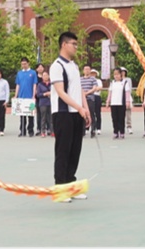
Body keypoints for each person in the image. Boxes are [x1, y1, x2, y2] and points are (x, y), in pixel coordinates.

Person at [50, 32, 91, 203]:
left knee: (75, 151)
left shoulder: (73, 66)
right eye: (73, 44)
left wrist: (86, 109)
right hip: (63, 113)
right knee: (63, 151)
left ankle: (71, 186)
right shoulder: (57, 66)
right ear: (64, 44)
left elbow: (79, 89)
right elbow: (60, 92)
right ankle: (60, 189)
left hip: (77, 113)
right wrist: (78, 107)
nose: (76, 47)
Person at [15, 57, 38, 137]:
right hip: (21, 97)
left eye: (25, 64)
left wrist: (33, 95)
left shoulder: (33, 73)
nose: (23, 65)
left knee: (30, 115)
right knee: (22, 115)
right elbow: (18, 84)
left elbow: (34, 84)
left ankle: (30, 131)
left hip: (30, 97)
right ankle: (22, 131)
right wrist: (15, 95)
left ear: (28, 63)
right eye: (22, 64)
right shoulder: (19, 73)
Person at [107, 68, 129, 139]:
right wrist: (108, 101)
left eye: (117, 74)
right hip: (113, 103)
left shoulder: (125, 83)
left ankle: (122, 132)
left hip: (121, 103)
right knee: (114, 118)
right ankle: (115, 132)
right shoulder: (112, 83)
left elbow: (127, 93)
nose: (116, 76)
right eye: (115, 74)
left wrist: (127, 101)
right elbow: (110, 92)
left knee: (121, 118)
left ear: (121, 74)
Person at [81, 65, 100, 138]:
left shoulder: (93, 79)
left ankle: (93, 130)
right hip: (82, 99)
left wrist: (87, 93)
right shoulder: (80, 79)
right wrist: (82, 94)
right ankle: (82, 131)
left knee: (91, 114)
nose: (87, 71)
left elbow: (94, 88)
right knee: (82, 115)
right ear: (83, 71)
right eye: (85, 69)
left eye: (88, 69)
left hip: (90, 99)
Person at [36, 71, 53, 137]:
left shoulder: (52, 84)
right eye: (44, 75)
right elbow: (38, 94)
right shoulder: (40, 85)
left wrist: (51, 93)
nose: (45, 76)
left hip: (51, 102)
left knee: (51, 118)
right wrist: (45, 94)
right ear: (42, 77)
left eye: (46, 75)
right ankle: (42, 131)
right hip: (43, 103)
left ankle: (52, 131)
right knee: (43, 117)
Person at [121, 67, 134, 135]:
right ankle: (121, 127)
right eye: (121, 71)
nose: (122, 72)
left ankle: (129, 126)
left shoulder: (128, 79)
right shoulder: (116, 80)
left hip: (127, 97)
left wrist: (128, 98)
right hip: (119, 99)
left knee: (128, 113)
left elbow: (130, 89)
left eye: (124, 71)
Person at [35, 63, 45, 136]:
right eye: (39, 67)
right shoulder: (35, 77)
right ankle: (39, 128)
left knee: (46, 114)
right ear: (36, 69)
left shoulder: (46, 77)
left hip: (46, 98)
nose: (40, 68)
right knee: (39, 114)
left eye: (42, 67)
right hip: (38, 97)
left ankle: (46, 128)